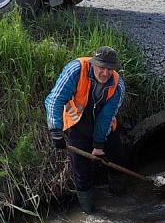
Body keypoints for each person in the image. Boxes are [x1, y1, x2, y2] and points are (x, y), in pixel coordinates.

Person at [45, 46, 127, 214]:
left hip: (102, 124)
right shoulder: (76, 70)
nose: (105, 73)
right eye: (102, 67)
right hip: (77, 124)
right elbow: (54, 100)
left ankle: (120, 196)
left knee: (117, 157)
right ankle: (90, 212)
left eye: (110, 69)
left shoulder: (118, 85)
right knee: (81, 170)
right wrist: (56, 131)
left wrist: (98, 147)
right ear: (93, 64)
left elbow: (106, 117)